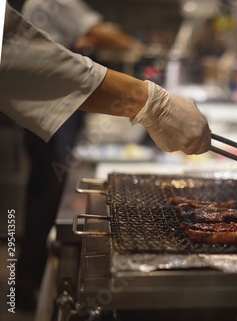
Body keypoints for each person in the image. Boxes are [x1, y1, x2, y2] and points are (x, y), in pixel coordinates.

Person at [1, 2, 211, 309]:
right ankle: (23, 287)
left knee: (46, 191)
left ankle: (26, 281)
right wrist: (148, 99)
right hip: (43, 105)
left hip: (49, 102)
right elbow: (16, 51)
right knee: (46, 193)